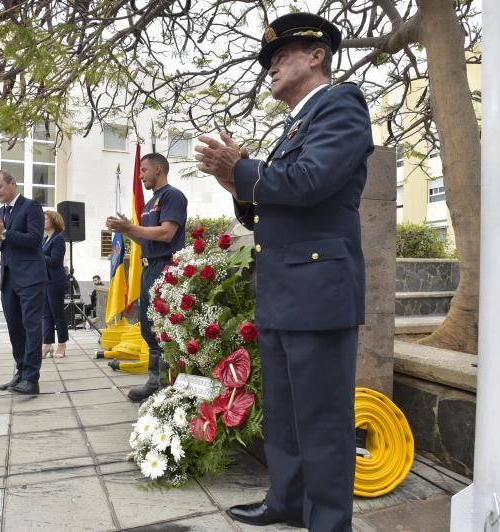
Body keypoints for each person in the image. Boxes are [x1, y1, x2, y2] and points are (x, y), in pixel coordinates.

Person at [195, 13, 374, 531]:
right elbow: (276, 199)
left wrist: (244, 170)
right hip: (285, 287)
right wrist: (238, 185)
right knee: (287, 414)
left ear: (316, 56)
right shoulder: (296, 123)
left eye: (280, 56)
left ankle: (328, 522)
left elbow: (312, 180)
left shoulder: (341, 105)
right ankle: (288, 502)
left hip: (319, 290)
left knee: (322, 419)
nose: (270, 67)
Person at [106, 152, 187, 403]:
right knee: (148, 325)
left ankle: (166, 383)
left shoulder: (172, 196)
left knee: (162, 326)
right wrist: (126, 230)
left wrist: (130, 227)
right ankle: (155, 381)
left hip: (165, 266)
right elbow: (144, 238)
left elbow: (165, 234)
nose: (141, 175)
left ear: (159, 170)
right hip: (148, 266)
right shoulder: (150, 203)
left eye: (144, 170)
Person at [0, 169, 46, 395]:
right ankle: (20, 371)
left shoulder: (31, 207)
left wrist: (4, 234)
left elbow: (34, 240)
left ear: (12, 184)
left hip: (30, 278)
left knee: (31, 328)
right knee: (15, 329)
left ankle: (32, 379)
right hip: (8, 280)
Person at [42, 210, 69, 358]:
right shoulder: (44, 239)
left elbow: (55, 261)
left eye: (46, 218)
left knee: (57, 314)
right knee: (46, 314)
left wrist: (38, 255)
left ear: (54, 221)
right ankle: (47, 344)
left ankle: (62, 344)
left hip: (55, 281)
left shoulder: (58, 239)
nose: (43, 220)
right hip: (44, 281)